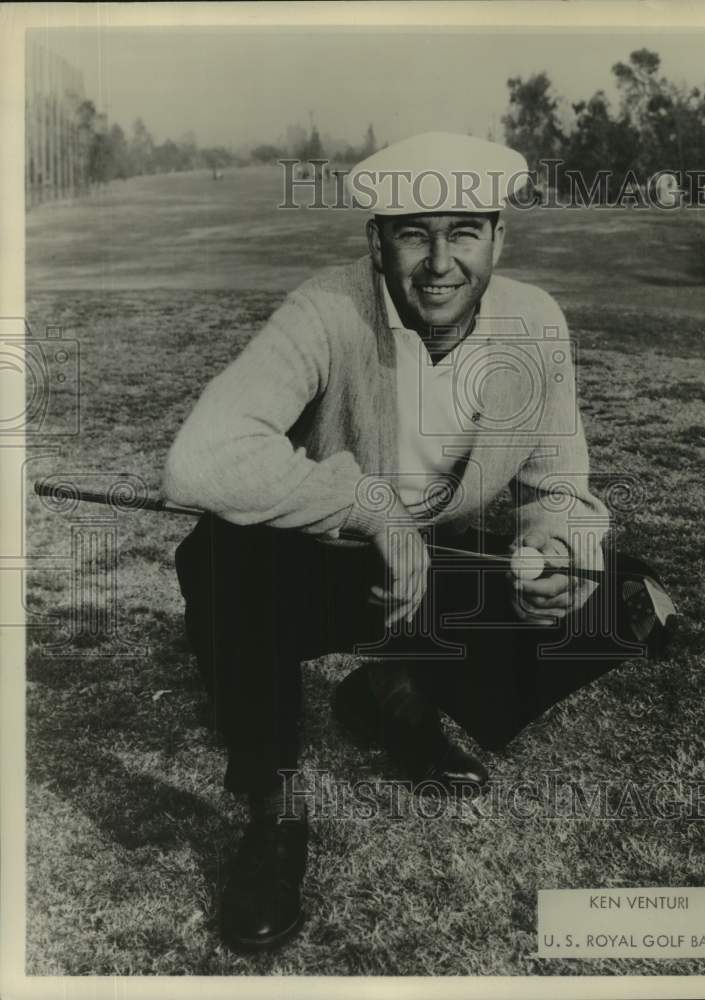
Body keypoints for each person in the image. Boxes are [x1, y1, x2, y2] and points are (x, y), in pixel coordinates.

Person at [162, 132, 669, 953]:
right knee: (222, 553)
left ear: (499, 239)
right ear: (376, 242)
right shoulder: (325, 309)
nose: (440, 262)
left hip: (437, 577)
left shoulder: (536, 322)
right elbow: (199, 461)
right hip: (322, 575)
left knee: (626, 598)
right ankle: (273, 809)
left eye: (464, 231)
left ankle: (395, 694)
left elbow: (560, 489)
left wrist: (555, 553)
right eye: (413, 232)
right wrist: (374, 508)